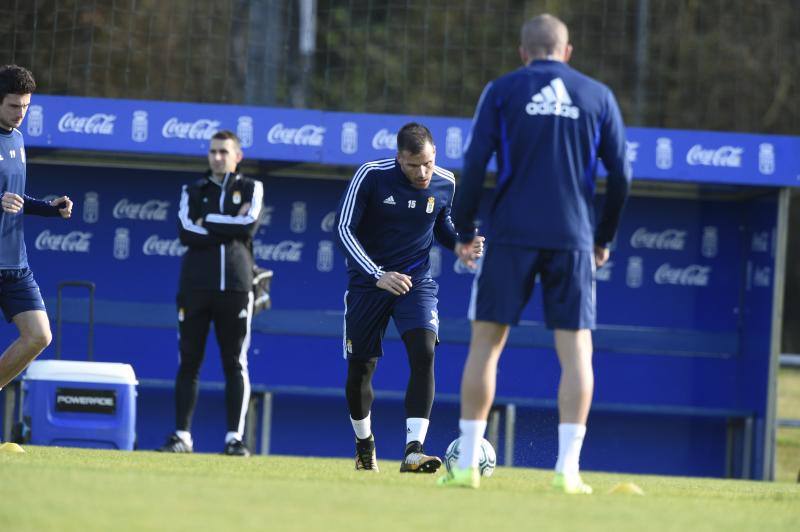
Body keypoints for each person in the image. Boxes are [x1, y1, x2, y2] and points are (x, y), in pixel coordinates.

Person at [438, 14, 632, 491]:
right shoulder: (598, 95)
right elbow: (621, 177)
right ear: (567, 52)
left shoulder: (501, 91)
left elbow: (475, 164)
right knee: (576, 352)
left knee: (486, 345)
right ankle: (567, 472)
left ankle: (465, 469)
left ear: (523, 52)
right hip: (572, 237)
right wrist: (602, 238)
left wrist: (463, 230)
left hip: (510, 235)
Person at [335, 123, 484, 473]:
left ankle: (413, 450)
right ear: (399, 158)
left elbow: (442, 226)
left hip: (415, 282)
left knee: (424, 351)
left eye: (428, 164)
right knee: (361, 369)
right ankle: (364, 444)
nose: (423, 172)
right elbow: (343, 228)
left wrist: (462, 246)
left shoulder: (445, 181)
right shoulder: (370, 176)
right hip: (368, 282)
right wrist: (377, 275)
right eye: (414, 165)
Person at [158, 130, 263, 456]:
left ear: (237, 156)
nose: (217, 157)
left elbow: (248, 225)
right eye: (213, 151)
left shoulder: (251, 187)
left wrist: (209, 221)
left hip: (236, 286)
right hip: (195, 288)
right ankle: (182, 437)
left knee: (235, 362)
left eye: (224, 151)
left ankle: (235, 438)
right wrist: (228, 224)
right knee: (189, 362)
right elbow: (186, 231)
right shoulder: (192, 189)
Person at [0, 65, 73, 407]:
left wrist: (49, 208)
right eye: (14, 106)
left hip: (15, 263)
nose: (21, 113)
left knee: (39, 336)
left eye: (26, 106)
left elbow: (15, 197)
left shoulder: (16, 139)